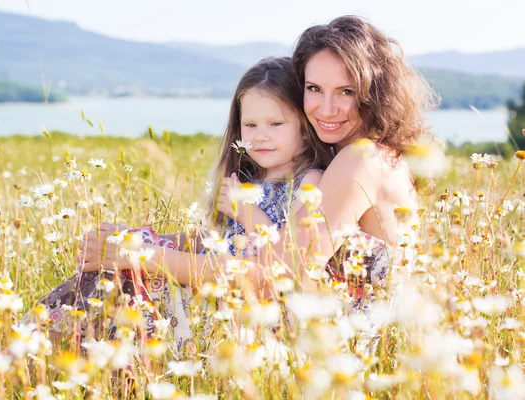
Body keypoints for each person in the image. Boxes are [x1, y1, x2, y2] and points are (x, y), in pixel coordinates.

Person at [78, 15, 434, 304]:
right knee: (118, 277)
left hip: (342, 346)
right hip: (310, 325)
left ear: (375, 91)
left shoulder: (361, 160)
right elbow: (261, 246)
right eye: (314, 89)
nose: (326, 108)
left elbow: (277, 273)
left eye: (346, 91)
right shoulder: (350, 154)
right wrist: (146, 239)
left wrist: (141, 256)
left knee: (124, 282)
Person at [21, 56, 331, 349]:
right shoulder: (245, 180)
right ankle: (41, 346)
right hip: (210, 289)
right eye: (251, 126)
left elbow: (286, 256)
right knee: (110, 269)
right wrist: (141, 239)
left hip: (250, 305)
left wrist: (246, 211)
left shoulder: (310, 181)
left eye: (275, 125)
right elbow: (212, 240)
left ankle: (39, 351)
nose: (260, 136)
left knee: (123, 275)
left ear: (304, 129)